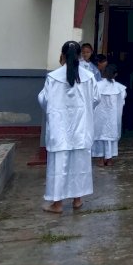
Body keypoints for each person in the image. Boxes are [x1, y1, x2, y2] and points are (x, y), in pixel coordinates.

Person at [38, 40, 100, 213]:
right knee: (79, 164)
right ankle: (77, 200)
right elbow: (96, 99)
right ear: (80, 56)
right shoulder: (88, 77)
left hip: (60, 129)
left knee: (59, 165)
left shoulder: (53, 77)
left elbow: (44, 100)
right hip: (81, 128)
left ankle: (57, 203)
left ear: (63, 56)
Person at [91, 64, 127, 166]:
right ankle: (110, 158)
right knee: (111, 136)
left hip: (99, 117)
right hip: (113, 118)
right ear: (116, 74)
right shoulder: (120, 88)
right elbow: (122, 101)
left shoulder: (97, 86)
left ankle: (101, 158)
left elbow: (92, 101)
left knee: (100, 135)